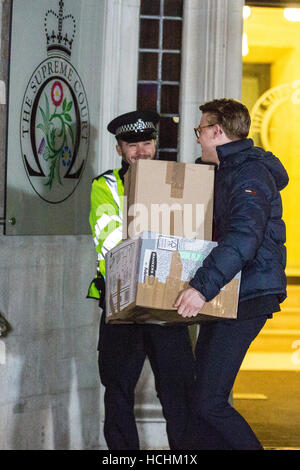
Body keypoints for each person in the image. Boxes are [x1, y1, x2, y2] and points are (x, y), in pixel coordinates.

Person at [175, 98, 289, 450]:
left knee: (209, 401)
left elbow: (244, 236)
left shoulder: (248, 174)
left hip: (247, 295)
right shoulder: (228, 170)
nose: (197, 139)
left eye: (200, 131)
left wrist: (200, 288)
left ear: (217, 131)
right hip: (232, 294)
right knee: (201, 400)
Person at [87, 110, 196, 450]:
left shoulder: (179, 182)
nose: (140, 152)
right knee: (118, 389)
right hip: (122, 305)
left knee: (178, 392)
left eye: (146, 143)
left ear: (155, 145)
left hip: (169, 302)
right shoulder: (106, 186)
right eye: (131, 145)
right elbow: (110, 243)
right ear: (119, 149)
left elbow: (192, 235)